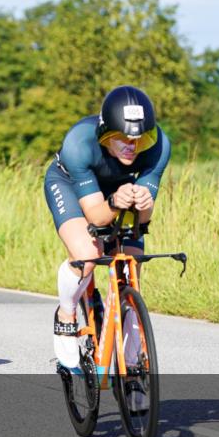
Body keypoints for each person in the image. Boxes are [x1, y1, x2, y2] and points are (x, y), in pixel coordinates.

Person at [43, 85, 171, 374]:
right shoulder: (79, 143)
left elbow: (144, 218)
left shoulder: (160, 147)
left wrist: (144, 201)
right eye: (122, 139)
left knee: (132, 262)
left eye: (140, 139)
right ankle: (66, 314)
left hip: (119, 190)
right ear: (105, 134)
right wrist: (115, 201)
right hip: (71, 186)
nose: (133, 147)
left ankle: (132, 351)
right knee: (88, 255)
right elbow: (97, 218)